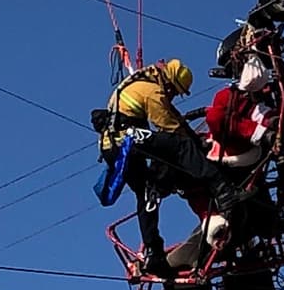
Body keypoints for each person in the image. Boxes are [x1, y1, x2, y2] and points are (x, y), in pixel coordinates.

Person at [94, 58, 245, 277]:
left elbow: (174, 116)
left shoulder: (144, 83)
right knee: (180, 146)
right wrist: (195, 146)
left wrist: (193, 137)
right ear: (169, 82)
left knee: (147, 194)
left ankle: (154, 254)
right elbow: (169, 125)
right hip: (127, 143)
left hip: (114, 148)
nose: (174, 95)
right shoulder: (151, 90)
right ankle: (223, 189)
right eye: (175, 91)